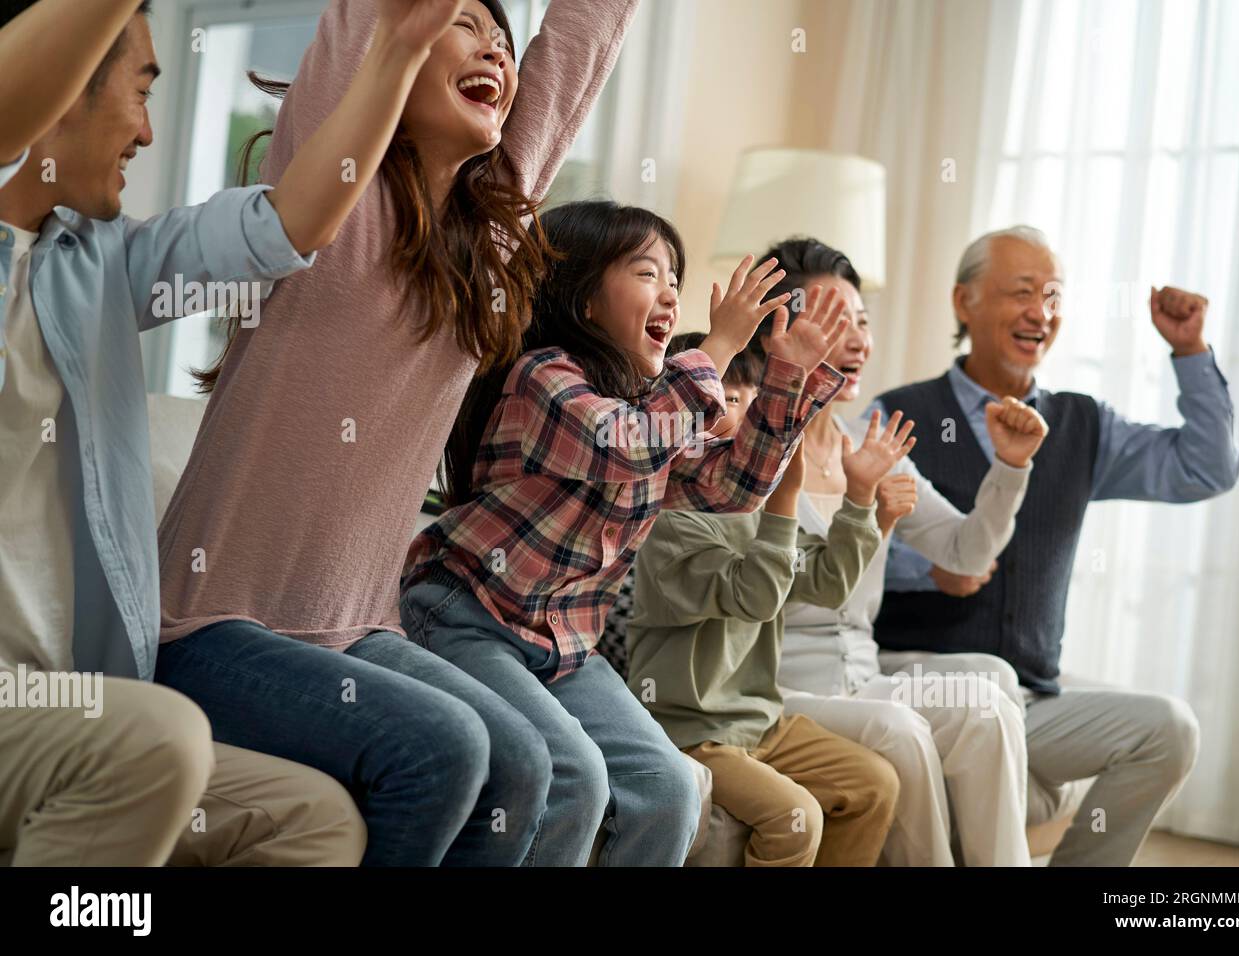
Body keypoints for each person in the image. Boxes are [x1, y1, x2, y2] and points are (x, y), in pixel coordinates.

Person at [154, 0, 643, 867]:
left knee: (546, 766)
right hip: (203, 631)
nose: (495, 44)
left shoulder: (486, 242)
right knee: (447, 746)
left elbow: (577, 42)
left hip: (359, 629)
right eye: (462, 22)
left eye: (500, 34)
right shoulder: (324, 205)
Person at [0, 0, 374, 865]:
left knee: (312, 819)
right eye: (140, 92)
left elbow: (286, 225)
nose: (146, 132)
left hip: (64, 707)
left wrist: (398, 47)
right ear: (60, 89)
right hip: (91, 727)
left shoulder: (102, 264)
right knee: (157, 738)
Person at [400, 200, 851, 864]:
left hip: (562, 645)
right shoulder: (544, 377)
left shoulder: (649, 405)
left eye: (674, 276)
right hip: (465, 616)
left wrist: (787, 374)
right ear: (583, 298)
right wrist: (720, 346)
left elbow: (731, 488)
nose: (670, 292)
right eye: (647, 273)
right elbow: (628, 448)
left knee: (670, 789)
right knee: (573, 774)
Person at [871, 225, 1239, 866]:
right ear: (965, 302)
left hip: (1028, 698)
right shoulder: (897, 414)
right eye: (1021, 292)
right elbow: (848, 538)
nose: (1040, 313)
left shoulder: (1083, 424)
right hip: (924, 690)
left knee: (1170, 729)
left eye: (1053, 295)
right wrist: (923, 570)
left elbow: (1206, 468)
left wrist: (1190, 351)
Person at [747, 238, 1048, 865]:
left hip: (862, 678)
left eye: (862, 321)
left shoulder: (873, 446)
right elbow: (775, 590)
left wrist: (1010, 468)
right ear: (780, 331)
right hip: (782, 687)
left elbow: (965, 554)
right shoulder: (748, 453)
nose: (858, 340)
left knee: (990, 693)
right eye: (835, 321)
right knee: (914, 721)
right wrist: (866, 515)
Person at [625, 330, 908, 866]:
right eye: (722, 400)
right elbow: (755, 595)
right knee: (795, 818)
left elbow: (827, 583)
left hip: (761, 721)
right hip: (690, 728)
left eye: (746, 398)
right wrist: (783, 501)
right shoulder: (670, 518)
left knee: (875, 784)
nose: (739, 412)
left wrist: (860, 496)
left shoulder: (757, 511)